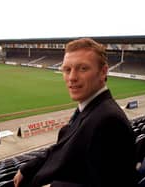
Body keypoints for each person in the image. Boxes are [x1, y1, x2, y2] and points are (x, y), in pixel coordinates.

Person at [13, 38, 138, 187]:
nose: (72, 77)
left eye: (83, 68)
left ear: (103, 71)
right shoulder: (89, 107)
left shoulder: (109, 121)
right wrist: (29, 167)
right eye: (67, 69)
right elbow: (61, 147)